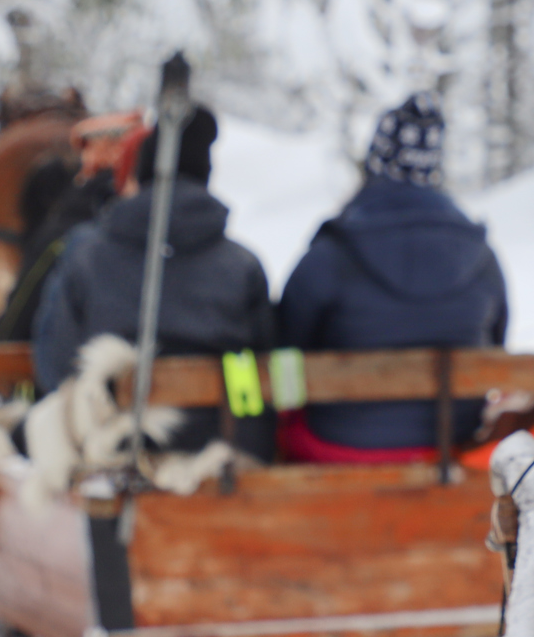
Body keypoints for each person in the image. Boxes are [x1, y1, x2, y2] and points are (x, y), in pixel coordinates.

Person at [29, 108, 277, 457]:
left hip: (111, 451)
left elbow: (54, 366)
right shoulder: (242, 266)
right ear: (204, 176)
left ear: (140, 175)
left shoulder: (86, 256)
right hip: (219, 451)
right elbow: (256, 372)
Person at [278, 93, 509, 454]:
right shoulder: (482, 257)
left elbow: (285, 349)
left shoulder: (332, 252)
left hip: (338, 444)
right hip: (454, 442)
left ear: (375, 162)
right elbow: (497, 343)